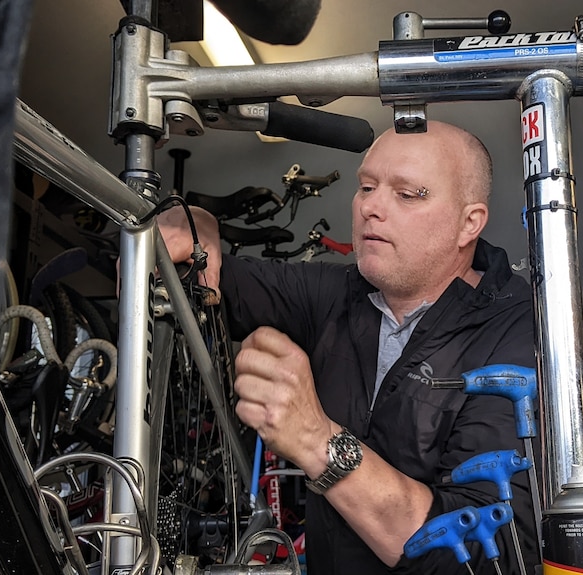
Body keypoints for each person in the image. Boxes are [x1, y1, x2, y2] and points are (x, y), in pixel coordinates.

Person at [158, 121, 539, 574]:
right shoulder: (336, 292)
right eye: (367, 186)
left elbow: (487, 552)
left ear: (468, 222)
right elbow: (198, 274)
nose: (370, 207)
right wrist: (193, 223)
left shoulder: (521, 330)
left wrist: (316, 439)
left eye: (408, 193)